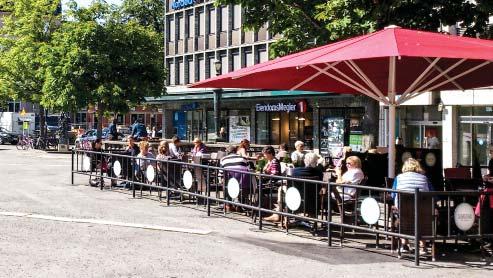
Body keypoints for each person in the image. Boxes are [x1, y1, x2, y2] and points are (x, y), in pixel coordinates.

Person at [391, 158, 431, 255]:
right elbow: (431, 193)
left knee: (403, 216)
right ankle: (423, 247)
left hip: (404, 211)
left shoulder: (399, 178)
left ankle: (404, 244)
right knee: (421, 219)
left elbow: (393, 194)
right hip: (423, 211)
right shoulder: (424, 178)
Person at [220, 145, 250, 212]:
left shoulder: (223, 159)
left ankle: (228, 204)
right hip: (242, 180)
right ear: (236, 151)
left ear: (227, 152)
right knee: (244, 183)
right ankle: (239, 204)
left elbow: (221, 172)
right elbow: (248, 169)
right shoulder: (243, 158)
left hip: (229, 180)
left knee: (224, 183)